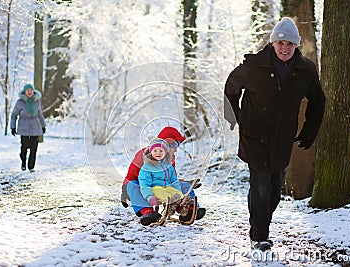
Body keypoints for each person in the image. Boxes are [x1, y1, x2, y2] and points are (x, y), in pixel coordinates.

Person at [224, 17, 325, 251]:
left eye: (290, 43)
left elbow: (318, 100)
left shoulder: (305, 69)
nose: (285, 47)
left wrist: (309, 132)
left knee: (274, 189)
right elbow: (231, 89)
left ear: (296, 45)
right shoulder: (253, 65)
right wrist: (236, 119)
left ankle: (259, 223)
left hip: (282, 138)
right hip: (254, 137)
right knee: (260, 185)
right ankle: (259, 235)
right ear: (272, 43)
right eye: (280, 43)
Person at [121, 126, 206, 226]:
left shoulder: (169, 158)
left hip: (164, 187)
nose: (176, 149)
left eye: (178, 145)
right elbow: (131, 175)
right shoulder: (142, 155)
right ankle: (147, 213)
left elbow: (171, 178)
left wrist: (185, 183)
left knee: (186, 187)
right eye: (174, 144)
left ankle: (189, 210)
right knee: (132, 185)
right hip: (146, 187)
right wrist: (125, 189)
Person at [138, 138, 184, 211]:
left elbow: (174, 180)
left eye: (161, 151)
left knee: (177, 194)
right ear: (150, 152)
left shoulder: (168, 166)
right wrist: (149, 197)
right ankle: (170, 205)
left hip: (168, 187)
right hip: (155, 188)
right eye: (155, 150)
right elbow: (144, 183)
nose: (158, 153)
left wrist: (178, 191)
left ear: (165, 153)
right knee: (162, 192)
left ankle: (182, 206)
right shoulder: (147, 167)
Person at [10, 84, 46, 172]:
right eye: (27, 90)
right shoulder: (20, 102)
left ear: (33, 91)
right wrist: (13, 127)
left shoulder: (37, 101)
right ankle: (23, 161)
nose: (29, 92)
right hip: (24, 127)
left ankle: (31, 167)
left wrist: (43, 126)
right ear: (25, 92)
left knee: (34, 148)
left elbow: (40, 114)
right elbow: (14, 115)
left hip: (35, 127)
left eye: (31, 90)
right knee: (24, 148)